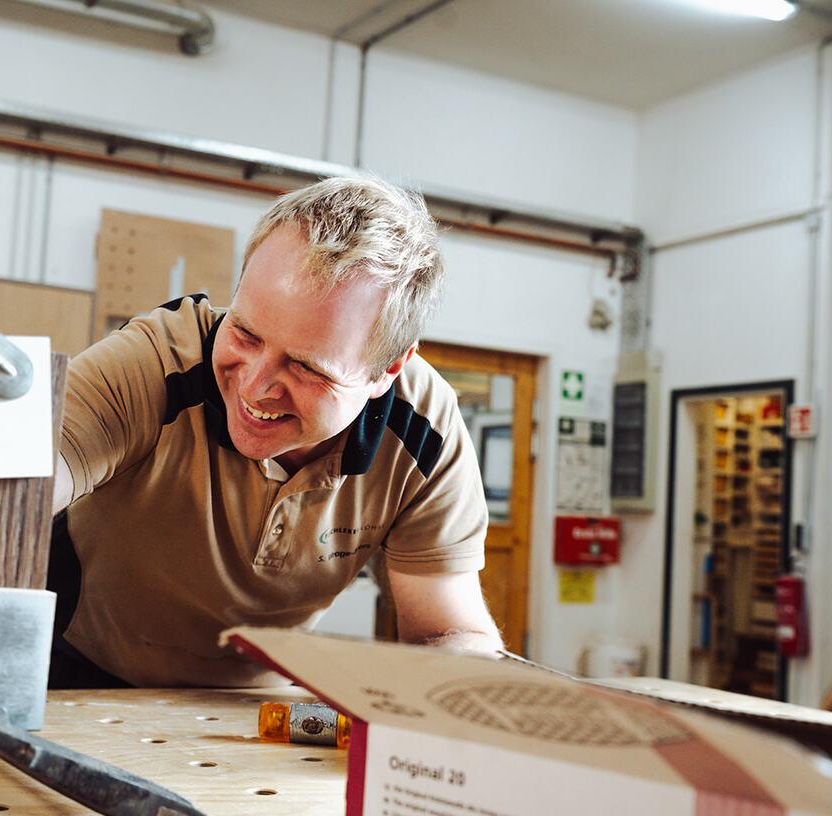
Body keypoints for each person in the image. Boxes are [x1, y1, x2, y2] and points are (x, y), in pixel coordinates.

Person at [49, 175, 501, 688]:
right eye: (244, 332)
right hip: (75, 670)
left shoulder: (424, 434)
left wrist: (464, 687)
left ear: (386, 372)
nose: (256, 386)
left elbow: (445, 630)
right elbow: (20, 484)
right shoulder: (157, 361)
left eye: (307, 367)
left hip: (254, 702)